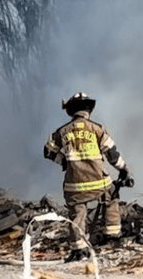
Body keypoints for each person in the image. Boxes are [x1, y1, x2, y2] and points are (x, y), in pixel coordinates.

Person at [43, 92, 132, 249]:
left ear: (71, 111)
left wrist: (63, 161)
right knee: (111, 196)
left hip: (75, 186)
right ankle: (111, 237)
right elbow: (112, 155)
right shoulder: (97, 129)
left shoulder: (62, 131)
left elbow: (48, 152)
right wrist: (124, 170)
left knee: (77, 214)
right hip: (99, 183)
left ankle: (78, 248)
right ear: (89, 110)